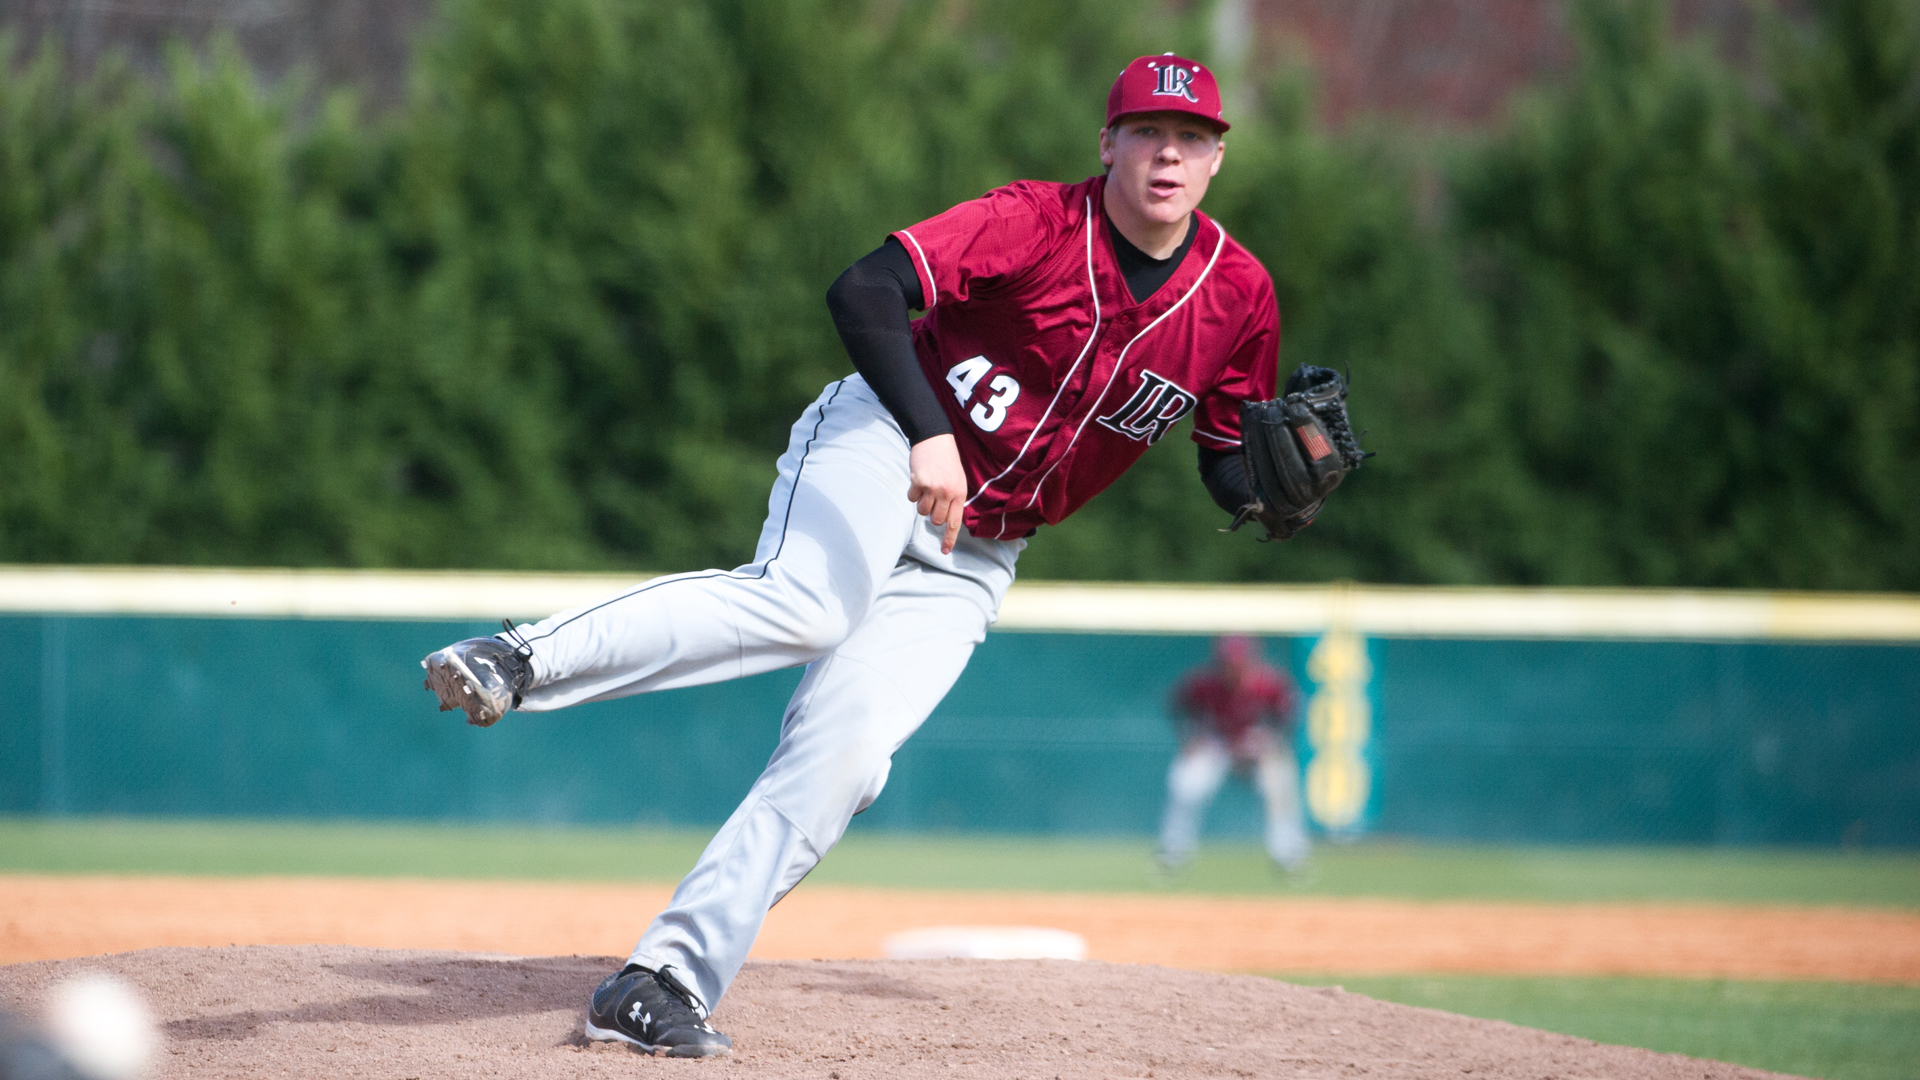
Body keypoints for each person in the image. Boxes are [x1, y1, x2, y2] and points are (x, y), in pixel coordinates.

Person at [420, 53, 1281, 1057]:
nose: (1166, 152)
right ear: (1109, 145)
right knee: (809, 604)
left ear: (1218, 157)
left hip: (979, 550)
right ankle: (522, 658)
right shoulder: (1036, 222)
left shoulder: (1241, 296)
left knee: (847, 761)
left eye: (1190, 138)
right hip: (882, 439)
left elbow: (1229, 456)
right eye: (1146, 132)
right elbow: (865, 289)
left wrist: (1277, 497)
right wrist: (928, 432)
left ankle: (659, 983)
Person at [1157, 634, 1310, 873]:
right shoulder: (1204, 683)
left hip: (1254, 747)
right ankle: (1173, 851)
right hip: (1217, 745)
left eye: (1239, 662)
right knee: (1186, 782)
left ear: (1251, 660)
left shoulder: (1269, 683)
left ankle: (1288, 853)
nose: (1233, 667)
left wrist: (1274, 741)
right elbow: (1177, 705)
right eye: (1229, 662)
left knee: (1281, 781)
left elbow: (1289, 717)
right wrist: (1188, 739)